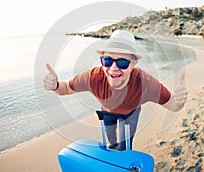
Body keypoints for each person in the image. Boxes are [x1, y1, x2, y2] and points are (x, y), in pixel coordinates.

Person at [43, 30, 187, 151]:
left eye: (122, 62)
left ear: (134, 63)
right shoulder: (93, 77)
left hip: (131, 113)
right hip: (107, 112)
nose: (113, 68)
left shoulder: (145, 83)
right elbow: (66, 88)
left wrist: (178, 101)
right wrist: (55, 85)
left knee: (125, 146)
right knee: (111, 143)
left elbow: (172, 105)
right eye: (107, 60)